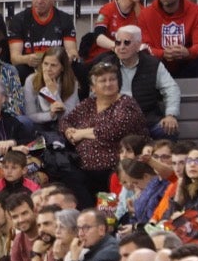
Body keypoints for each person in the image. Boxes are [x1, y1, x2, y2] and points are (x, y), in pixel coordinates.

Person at [61, 61, 149, 197]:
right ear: (92, 87)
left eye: (112, 79)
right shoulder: (88, 104)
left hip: (116, 166)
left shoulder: (126, 103)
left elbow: (115, 129)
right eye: (103, 81)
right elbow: (65, 121)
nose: (108, 84)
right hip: (84, 167)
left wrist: (81, 133)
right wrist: (69, 132)